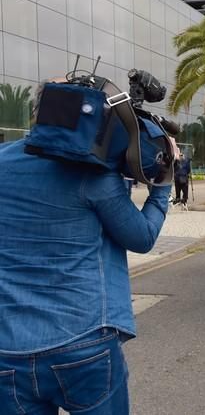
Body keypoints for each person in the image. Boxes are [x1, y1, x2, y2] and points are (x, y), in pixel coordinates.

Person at [0, 84, 175, 413]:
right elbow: (142, 237)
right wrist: (163, 184)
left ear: (36, 114)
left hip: (8, 349)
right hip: (83, 342)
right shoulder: (93, 174)